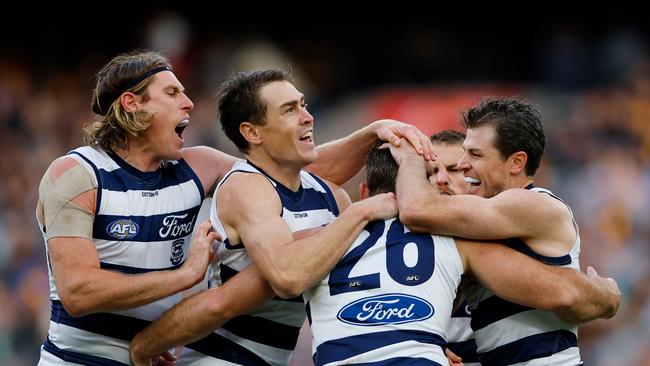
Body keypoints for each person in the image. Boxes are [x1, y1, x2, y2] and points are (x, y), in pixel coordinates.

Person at [36, 50, 434, 366]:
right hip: (81, 359)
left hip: (160, 354)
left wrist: (372, 133)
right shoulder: (75, 174)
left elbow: (282, 169)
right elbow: (78, 292)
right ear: (132, 104)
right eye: (172, 93)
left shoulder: (199, 165)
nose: (189, 103)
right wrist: (183, 276)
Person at [130, 69, 403, 366]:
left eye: (303, 105)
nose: (307, 117)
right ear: (253, 133)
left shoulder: (331, 196)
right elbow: (287, 277)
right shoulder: (245, 186)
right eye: (289, 110)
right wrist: (361, 212)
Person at [304, 143, 619, 366]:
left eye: (457, 171)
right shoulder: (458, 243)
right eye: (438, 173)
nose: (447, 180)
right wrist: (608, 295)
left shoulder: (312, 243)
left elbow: (307, 180)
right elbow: (565, 293)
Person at [389, 97, 603, 365]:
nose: (464, 163)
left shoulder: (533, 203)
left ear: (516, 162)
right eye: (465, 151)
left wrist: (409, 158)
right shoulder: (486, 223)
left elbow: (416, 210)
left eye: (475, 154)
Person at [429, 130, 479, 366]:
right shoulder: (397, 252)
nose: (441, 179)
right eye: (431, 172)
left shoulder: (508, 241)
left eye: (454, 169)